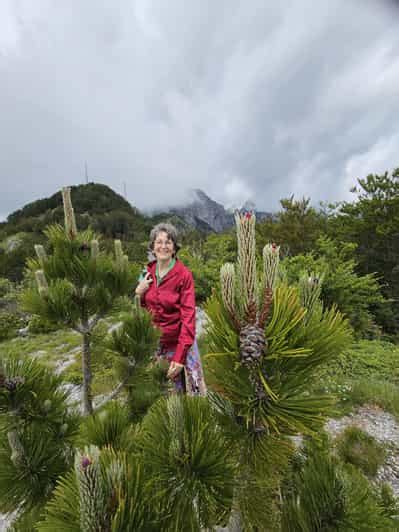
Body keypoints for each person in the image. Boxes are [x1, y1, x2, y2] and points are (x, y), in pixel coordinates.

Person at [135, 223, 206, 395]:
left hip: (182, 342)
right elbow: (142, 309)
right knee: (167, 396)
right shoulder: (146, 272)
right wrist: (138, 292)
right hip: (158, 344)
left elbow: (188, 317)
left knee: (194, 395)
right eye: (158, 242)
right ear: (152, 247)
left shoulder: (183, 275)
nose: (163, 246)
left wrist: (180, 357)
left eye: (168, 242)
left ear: (174, 248)